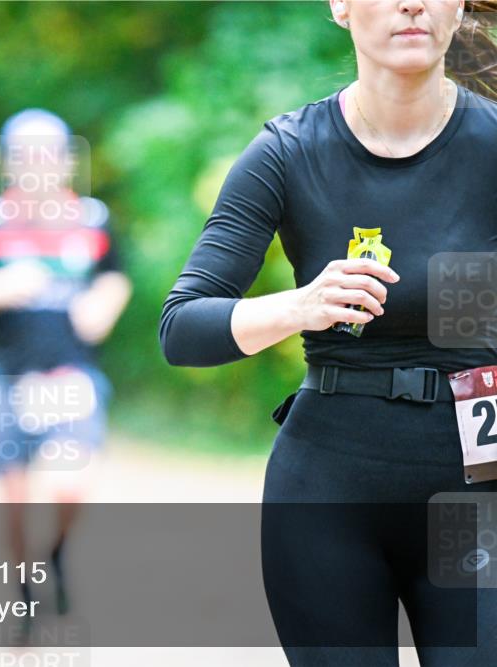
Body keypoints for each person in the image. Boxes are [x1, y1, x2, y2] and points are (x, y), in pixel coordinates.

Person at [159, 1, 496, 665]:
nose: (411, 4)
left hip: (473, 492)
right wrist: (301, 304)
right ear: (340, 6)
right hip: (327, 496)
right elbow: (182, 328)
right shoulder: (287, 151)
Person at [0, 109, 131, 622]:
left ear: (65, 162)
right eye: (27, 157)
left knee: (73, 484)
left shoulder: (91, 220)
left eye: (48, 156)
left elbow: (115, 277)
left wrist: (102, 305)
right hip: (5, 377)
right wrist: (0, 286)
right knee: (15, 499)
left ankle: (58, 554)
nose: (38, 167)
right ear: (10, 164)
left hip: (71, 374)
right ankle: (24, 588)